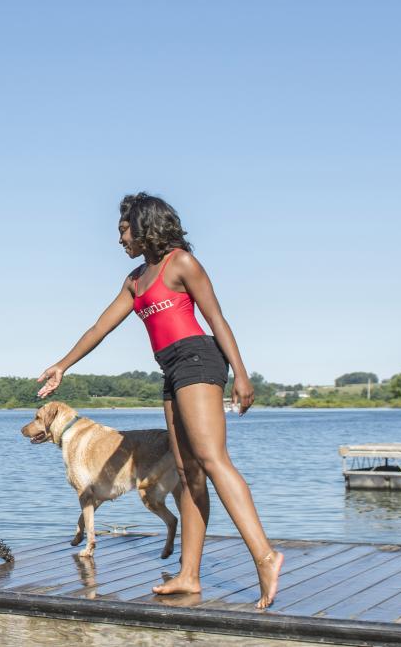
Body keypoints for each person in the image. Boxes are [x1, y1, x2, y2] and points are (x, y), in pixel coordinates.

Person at [35, 192, 283, 610]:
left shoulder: (181, 263)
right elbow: (100, 327)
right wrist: (63, 365)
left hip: (199, 360)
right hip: (171, 370)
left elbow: (216, 318)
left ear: (145, 225)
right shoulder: (135, 280)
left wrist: (241, 373)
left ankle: (265, 555)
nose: (119, 240)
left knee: (211, 459)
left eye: (123, 230)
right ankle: (189, 575)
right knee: (186, 472)